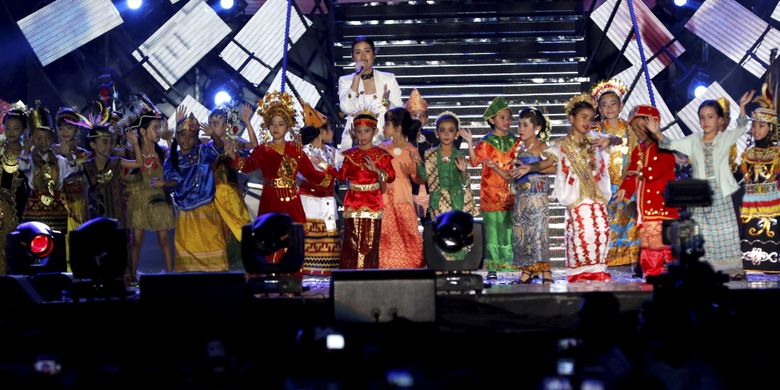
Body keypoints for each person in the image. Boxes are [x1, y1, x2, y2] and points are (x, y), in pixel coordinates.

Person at [647, 91, 754, 279]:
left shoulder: (724, 137)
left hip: (720, 191)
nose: (706, 121)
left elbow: (742, 127)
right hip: (699, 194)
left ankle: (732, 268)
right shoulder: (693, 140)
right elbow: (670, 144)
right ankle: (706, 269)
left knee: (726, 231)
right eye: (702, 117)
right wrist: (656, 132)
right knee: (703, 231)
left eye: (710, 117)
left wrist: (743, 106)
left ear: (720, 120)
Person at [516, 93, 616, 282]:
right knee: (581, 235)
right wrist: (531, 167)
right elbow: (548, 162)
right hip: (576, 199)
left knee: (601, 231)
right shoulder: (560, 144)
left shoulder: (597, 139)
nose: (587, 122)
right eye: (583, 117)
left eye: (591, 118)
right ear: (571, 118)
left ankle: (598, 271)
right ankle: (581, 273)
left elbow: (617, 140)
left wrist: (610, 140)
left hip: (597, 197)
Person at [225, 91, 331, 224]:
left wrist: (331, 174)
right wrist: (233, 155)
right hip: (270, 200)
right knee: (271, 239)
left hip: (291, 201)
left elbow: (311, 174)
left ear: (287, 127)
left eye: (281, 124)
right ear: (267, 126)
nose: (276, 127)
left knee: (292, 240)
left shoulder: (296, 149)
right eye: (272, 123)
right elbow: (247, 166)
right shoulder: (262, 150)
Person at [326, 103, 396, 269]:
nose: (363, 135)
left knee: (370, 241)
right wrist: (326, 167)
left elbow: (391, 177)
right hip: (353, 201)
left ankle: (367, 275)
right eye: (359, 131)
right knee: (352, 239)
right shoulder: (350, 155)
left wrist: (377, 170)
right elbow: (342, 176)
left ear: (375, 132)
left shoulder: (382, 155)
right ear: (354, 133)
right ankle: (351, 275)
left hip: (373, 201)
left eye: (367, 131)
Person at [615, 105, 678, 277]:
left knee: (669, 247)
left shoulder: (664, 145)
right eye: (635, 128)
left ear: (654, 124)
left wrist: (641, 173)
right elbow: (631, 174)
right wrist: (625, 190)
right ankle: (652, 275)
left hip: (664, 208)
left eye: (641, 126)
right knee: (649, 246)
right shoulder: (638, 150)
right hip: (647, 210)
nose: (638, 131)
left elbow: (661, 168)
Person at [461, 96, 519, 274]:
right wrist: (470, 143)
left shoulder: (516, 142)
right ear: (492, 120)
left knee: (509, 230)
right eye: (502, 117)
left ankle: (509, 263)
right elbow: (473, 162)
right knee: (492, 230)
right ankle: (493, 265)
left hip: (511, 193)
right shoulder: (485, 142)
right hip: (491, 194)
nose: (507, 121)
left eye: (509, 117)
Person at [164, 113, 228, 272]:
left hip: (205, 209)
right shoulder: (172, 159)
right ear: (177, 137)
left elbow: (219, 147)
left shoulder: (203, 152)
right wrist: (163, 183)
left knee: (212, 243)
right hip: (185, 213)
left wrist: (213, 134)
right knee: (186, 249)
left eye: (191, 136)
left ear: (196, 138)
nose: (186, 140)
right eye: (183, 135)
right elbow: (174, 181)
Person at [121, 97, 175, 277]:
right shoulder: (130, 151)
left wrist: (168, 140)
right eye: (155, 128)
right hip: (139, 198)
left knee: (164, 239)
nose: (158, 131)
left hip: (158, 197)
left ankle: (170, 275)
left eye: (159, 127)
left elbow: (175, 165)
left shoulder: (162, 151)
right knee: (136, 241)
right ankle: (133, 275)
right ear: (143, 131)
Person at [591, 79, 639, 268]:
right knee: (607, 221)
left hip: (626, 182)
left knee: (628, 219)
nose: (609, 108)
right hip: (603, 184)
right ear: (599, 109)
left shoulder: (630, 129)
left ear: (621, 105)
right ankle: (608, 257)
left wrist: (630, 181)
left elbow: (637, 154)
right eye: (604, 105)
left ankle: (630, 257)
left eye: (613, 103)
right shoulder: (596, 130)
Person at [19, 102, 81, 235]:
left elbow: (74, 168)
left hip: (56, 209)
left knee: (57, 243)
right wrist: (25, 150)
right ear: (32, 139)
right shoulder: (30, 160)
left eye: (47, 138)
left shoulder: (59, 160)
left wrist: (68, 154)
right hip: (34, 209)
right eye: (39, 138)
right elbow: (23, 167)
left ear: (52, 138)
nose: (43, 142)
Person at [509, 108, 555, 283]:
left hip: (537, 195)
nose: (521, 129)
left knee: (539, 233)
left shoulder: (543, 147)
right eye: (519, 124)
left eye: (525, 125)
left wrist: (533, 167)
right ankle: (528, 270)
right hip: (522, 195)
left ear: (536, 128)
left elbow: (555, 167)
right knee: (523, 233)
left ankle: (546, 271)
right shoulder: (520, 148)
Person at [378, 107, 424, 269]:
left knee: (407, 230)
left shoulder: (410, 150)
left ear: (397, 128)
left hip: (402, 195)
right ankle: (388, 263)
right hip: (384, 196)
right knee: (386, 232)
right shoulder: (382, 148)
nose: (383, 127)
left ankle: (410, 263)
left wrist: (415, 166)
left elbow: (419, 178)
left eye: (387, 124)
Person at [337, 36, 403, 150]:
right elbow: (346, 108)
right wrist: (357, 77)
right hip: (355, 141)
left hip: (383, 140)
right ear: (353, 57)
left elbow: (400, 114)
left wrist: (387, 104)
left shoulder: (388, 78)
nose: (363, 56)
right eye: (358, 52)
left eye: (367, 51)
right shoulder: (345, 81)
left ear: (374, 54)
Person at [298, 102, 341, 275]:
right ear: (322, 132)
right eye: (330, 129)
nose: (333, 133)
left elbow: (344, 171)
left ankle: (327, 280)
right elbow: (307, 178)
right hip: (310, 204)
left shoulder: (332, 152)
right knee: (310, 244)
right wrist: (329, 177)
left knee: (329, 247)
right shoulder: (304, 153)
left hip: (328, 204)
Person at [739, 102, 780, 273]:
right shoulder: (747, 154)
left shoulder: (777, 153)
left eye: (761, 126)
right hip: (750, 203)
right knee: (750, 236)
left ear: (770, 128)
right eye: (754, 125)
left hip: (773, 203)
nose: (756, 129)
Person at [415, 111, 478, 218]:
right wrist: (418, 163)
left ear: (457, 134)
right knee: (441, 233)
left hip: (456, 201)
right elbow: (425, 177)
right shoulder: (430, 154)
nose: (446, 133)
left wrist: (463, 171)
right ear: (436, 133)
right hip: (437, 202)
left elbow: (464, 181)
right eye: (442, 130)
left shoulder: (459, 155)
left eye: (451, 130)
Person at [0, 104, 30, 273]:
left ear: (24, 131)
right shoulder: (0, 152)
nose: (11, 132)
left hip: (21, 208)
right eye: (8, 127)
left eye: (16, 128)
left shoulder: (28, 154)